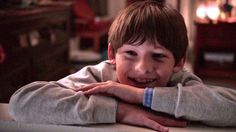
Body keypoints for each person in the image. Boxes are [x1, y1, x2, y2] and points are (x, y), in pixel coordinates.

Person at [9, 0, 236, 132]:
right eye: (130, 53)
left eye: (157, 56)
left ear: (178, 63)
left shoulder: (181, 81)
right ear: (112, 55)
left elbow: (231, 108)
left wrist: (140, 96)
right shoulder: (99, 77)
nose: (142, 68)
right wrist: (120, 111)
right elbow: (22, 102)